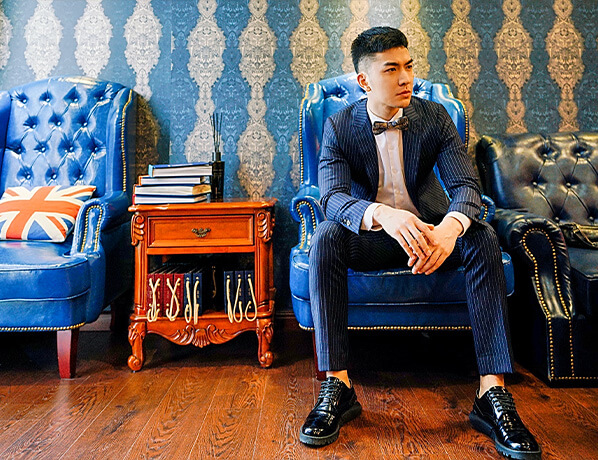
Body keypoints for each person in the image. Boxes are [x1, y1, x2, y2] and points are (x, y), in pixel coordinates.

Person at [299, 26, 541, 459]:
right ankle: (338, 384)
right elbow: (332, 198)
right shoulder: (340, 125)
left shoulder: (434, 117)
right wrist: (383, 215)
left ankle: (492, 394)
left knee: (482, 236)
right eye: (391, 69)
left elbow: (466, 186)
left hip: (432, 237)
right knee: (326, 237)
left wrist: (449, 229)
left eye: (408, 66)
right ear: (364, 80)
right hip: (373, 239)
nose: (406, 77)